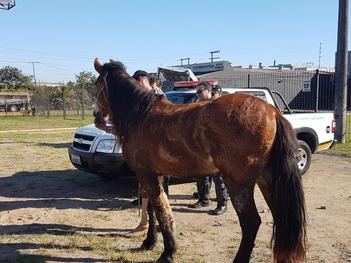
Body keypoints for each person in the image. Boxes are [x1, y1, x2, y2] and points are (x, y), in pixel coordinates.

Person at [127, 70, 168, 237]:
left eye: (136, 83)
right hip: (151, 150)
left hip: (156, 152)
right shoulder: (150, 95)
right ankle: (149, 223)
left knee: (153, 190)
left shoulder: (155, 95)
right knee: (148, 190)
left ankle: (151, 224)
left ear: (141, 80)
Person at [188, 82, 228, 216]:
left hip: (216, 145)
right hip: (201, 145)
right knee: (202, 175)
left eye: (200, 91)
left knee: (218, 176)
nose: (197, 94)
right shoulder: (197, 104)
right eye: (197, 92)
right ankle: (203, 199)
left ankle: (222, 204)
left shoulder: (217, 104)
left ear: (208, 91)